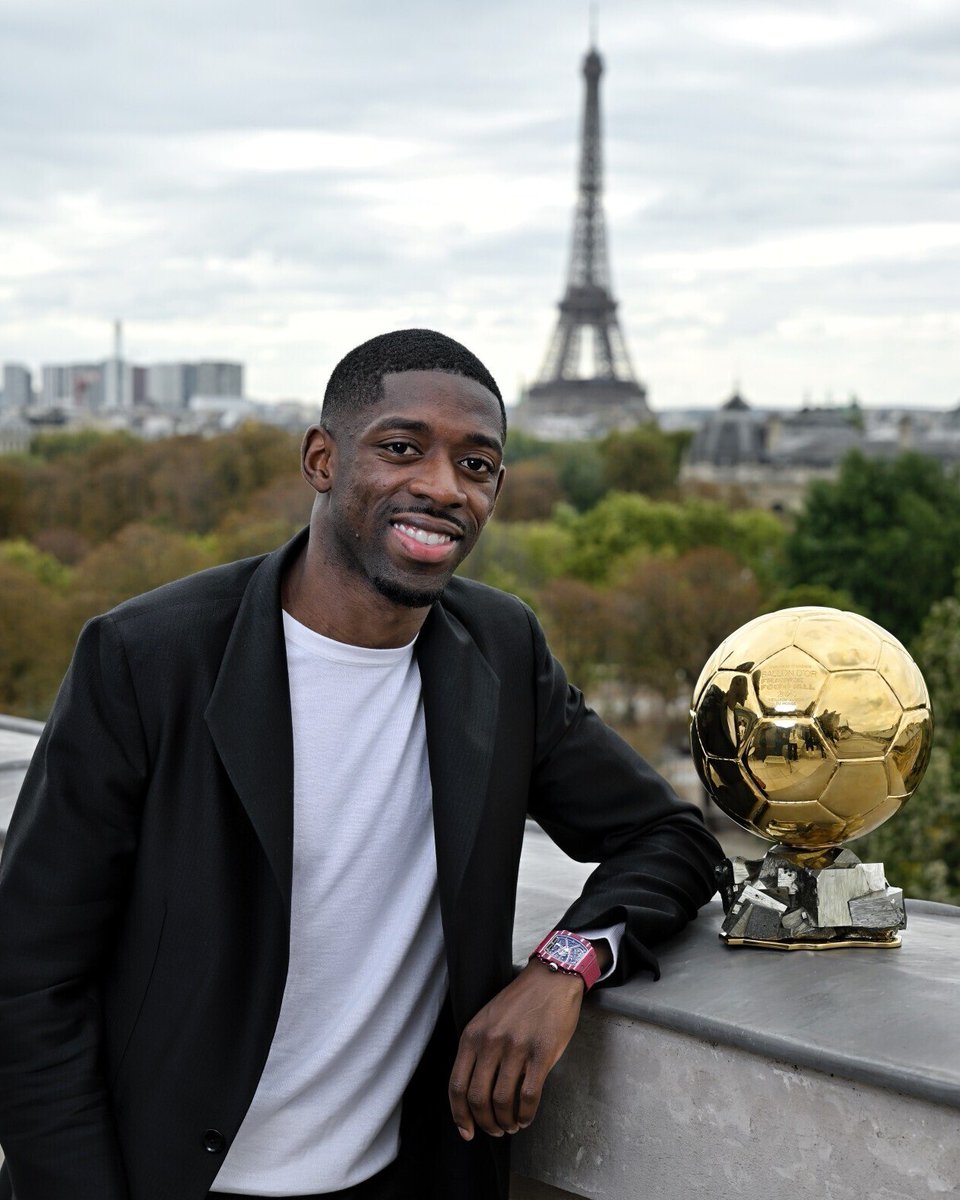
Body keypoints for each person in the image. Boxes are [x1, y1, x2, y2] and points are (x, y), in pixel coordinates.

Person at [0, 329, 723, 1200]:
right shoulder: (146, 660)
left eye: (478, 465)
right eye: (402, 448)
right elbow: (29, 976)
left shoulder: (500, 649)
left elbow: (669, 835)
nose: (442, 487)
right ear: (321, 459)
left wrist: (563, 965)